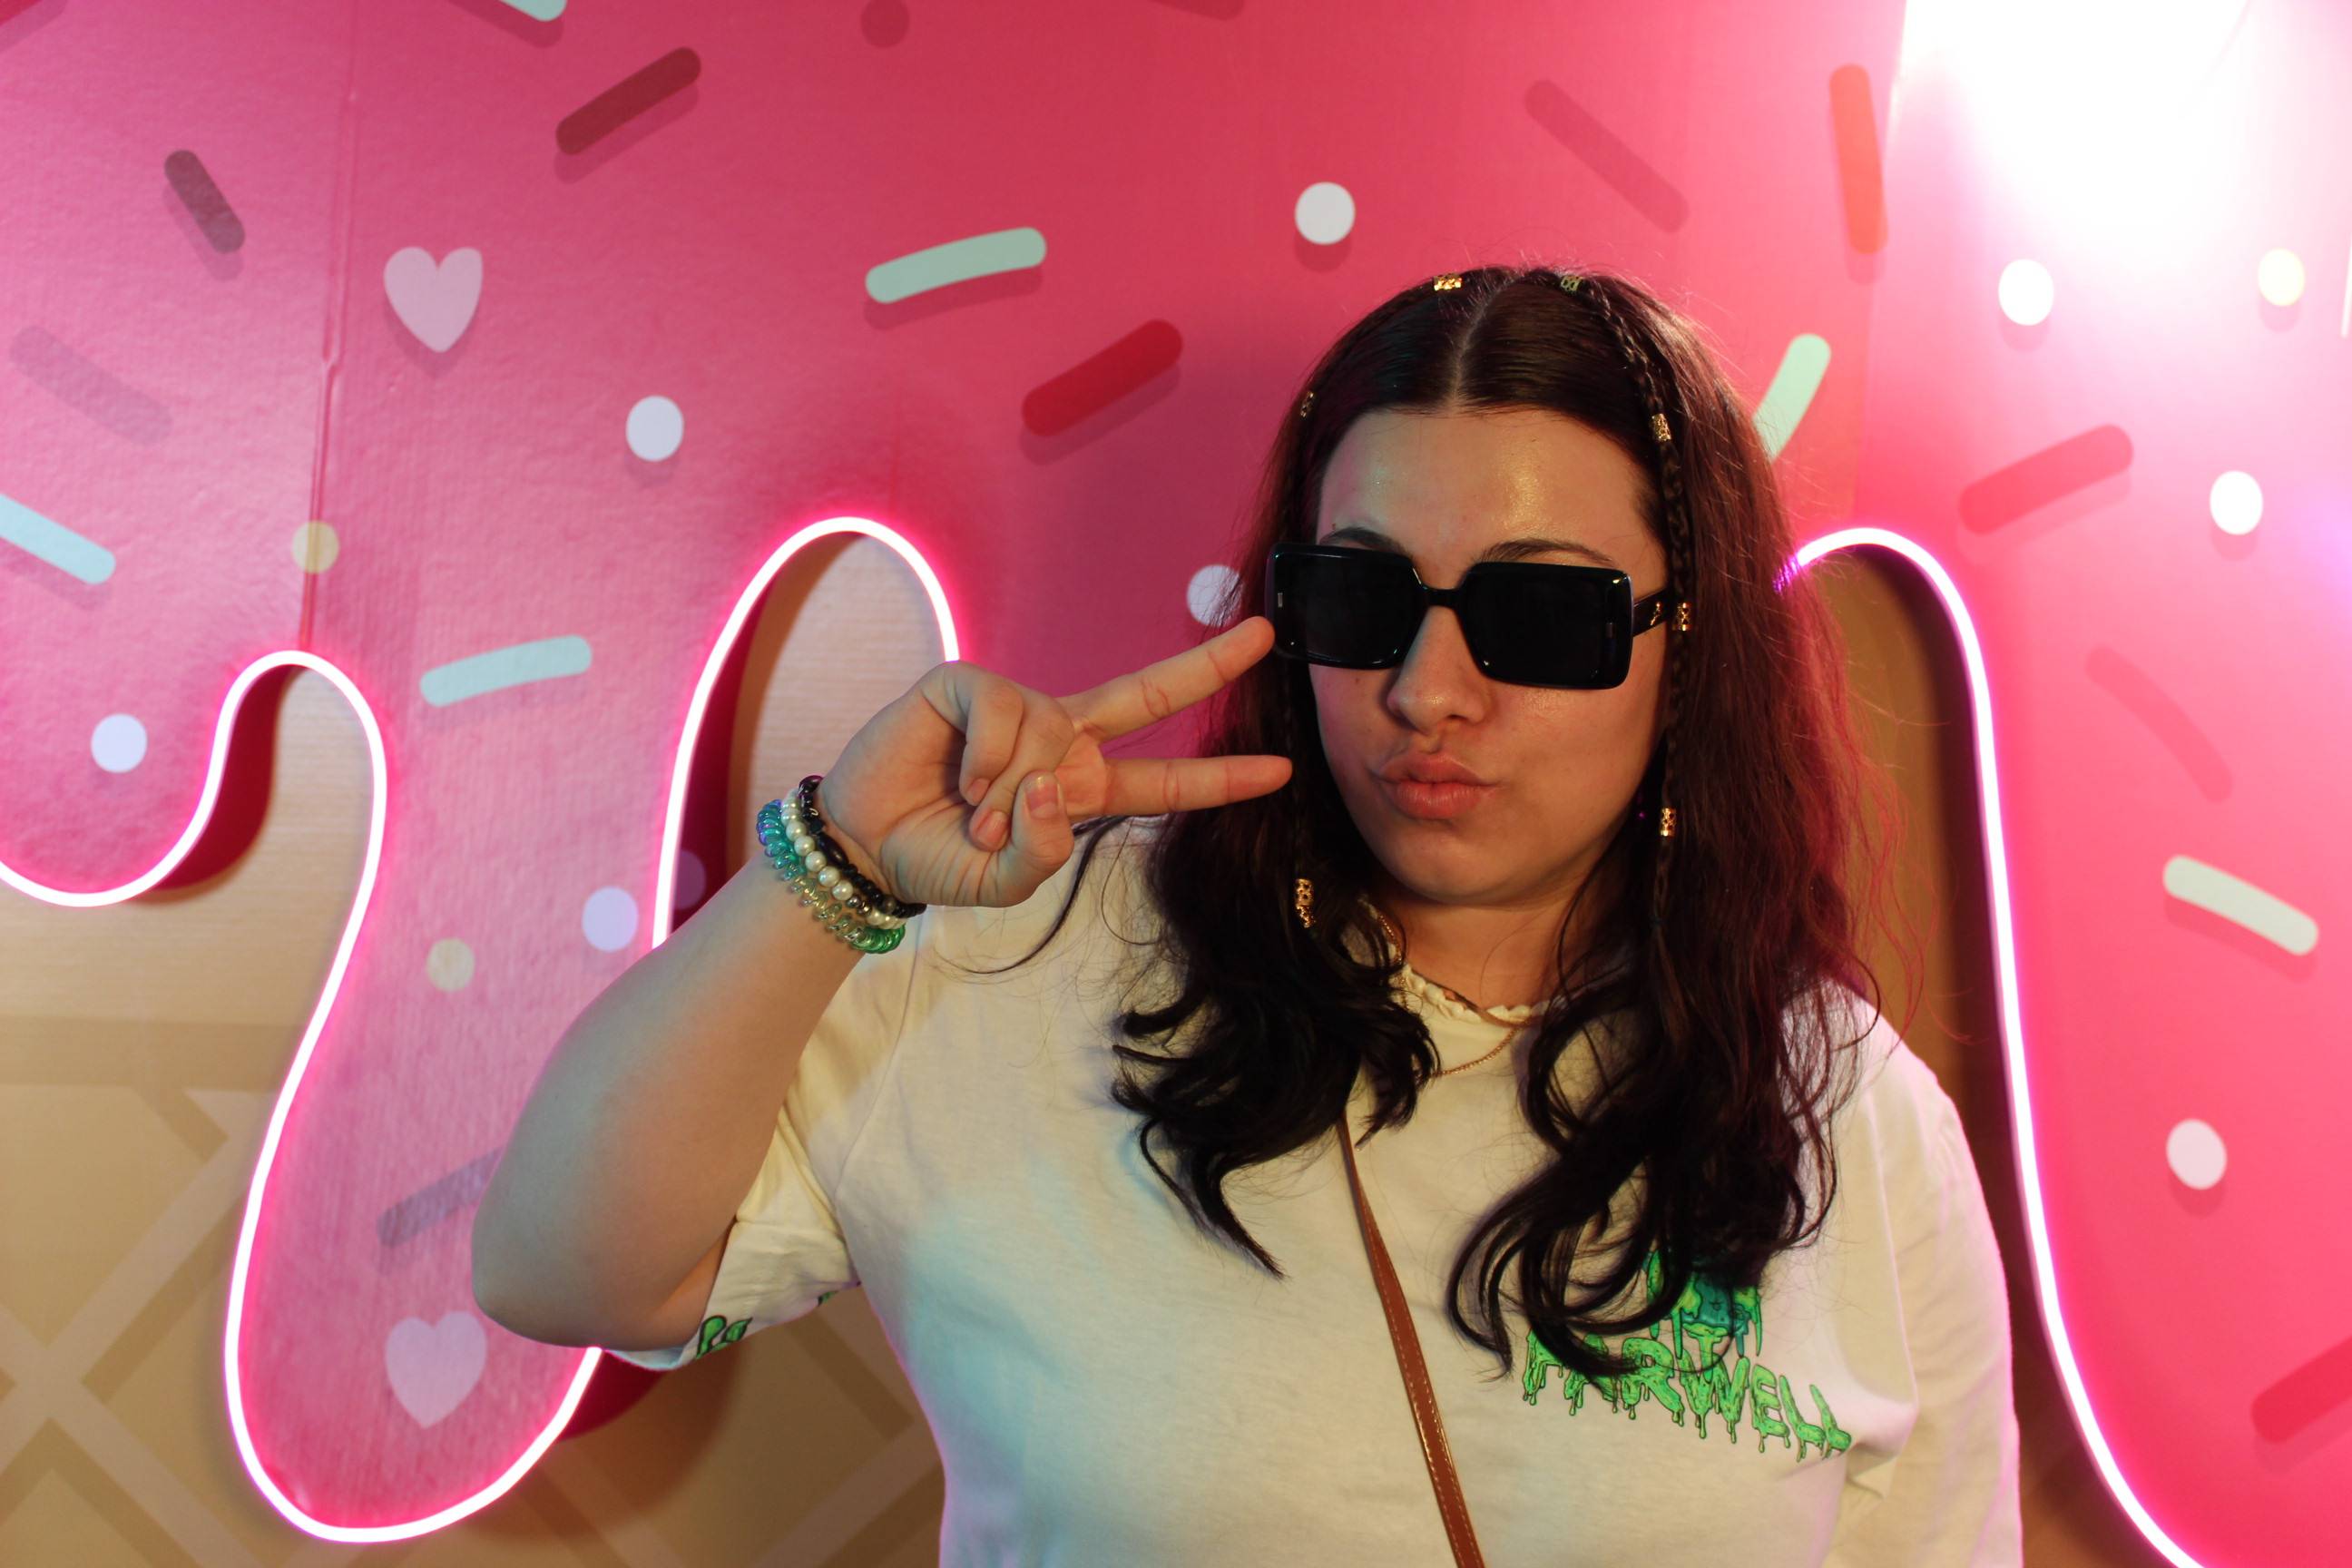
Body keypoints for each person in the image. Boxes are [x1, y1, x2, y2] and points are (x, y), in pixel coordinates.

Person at [473, 265, 2023, 1565]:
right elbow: (563, 1272)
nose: (1427, 691)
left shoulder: (1846, 1114)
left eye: (1540, 613)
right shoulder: (1029, 958)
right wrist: (839, 864)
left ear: (1690, 646)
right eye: (1361, 598)